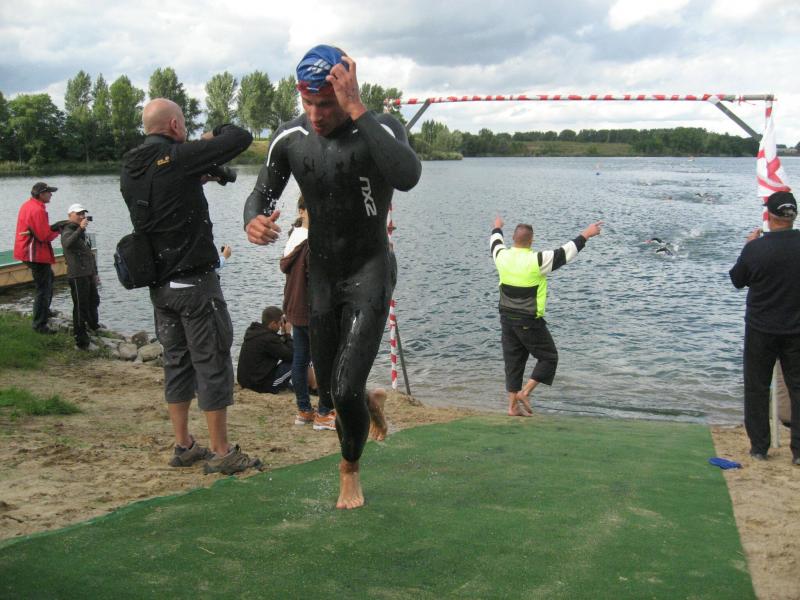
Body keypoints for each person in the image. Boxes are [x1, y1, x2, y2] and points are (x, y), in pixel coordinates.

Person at [244, 44, 421, 508]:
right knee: (329, 386)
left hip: (370, 269)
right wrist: (252, 221)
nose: (316, 115)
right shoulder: (291, 137)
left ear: (346, 91)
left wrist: (358, 108)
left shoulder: (380, 127)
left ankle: (349, 469)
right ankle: (366, 402)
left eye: (326, 104)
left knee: (343, 388)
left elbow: (407, 176)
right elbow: (262, 194)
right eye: (308, 103)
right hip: (322, 275)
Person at [120, 97, 261, 475]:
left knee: (176, 362)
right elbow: (240, 136)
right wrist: (210, 136)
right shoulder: (179, 157)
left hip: (160, 287)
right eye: (183, 124)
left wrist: (194, 177)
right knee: (212, 362)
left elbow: (162, 197)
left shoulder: (131, 166)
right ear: (174, 126)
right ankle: (221, 451)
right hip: (195, 285)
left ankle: (183, 445)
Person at [491, 216, 603, 416]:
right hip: (528, 321)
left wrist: (497, 227)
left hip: (506, 319)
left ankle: (512, 407)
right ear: (531, 241)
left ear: (513, 239)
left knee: (513, 362)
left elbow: (495, 241)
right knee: (549, 357)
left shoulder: (501, 256)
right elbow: (566, 252)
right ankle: (525, 392)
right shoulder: (537, 260)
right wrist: (586, 234)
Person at [729, 191, 800, 466]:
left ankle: (759, 447)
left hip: (761, 328)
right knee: (797, 388)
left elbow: (738, 279)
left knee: (757, 387)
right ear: (793, 216)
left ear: (769, 216)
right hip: (796, 329)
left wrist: (748, 247)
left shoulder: (756, 248)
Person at [280, 196, 334, 429]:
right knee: (324, 360)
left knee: (300, 359)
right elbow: (320, 279)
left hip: (295, 306)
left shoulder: (293, 238)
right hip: (312, 310)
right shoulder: (311, 242)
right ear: (301, 211)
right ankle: (323, 412)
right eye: (313, 209)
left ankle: (304, 409)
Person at [13, 182, 60, 334]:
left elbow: (39, 230)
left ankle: (44, 310)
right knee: (43, 288)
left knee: (49, 277)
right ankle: (39, 325)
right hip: (34, 253)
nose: (51, 194)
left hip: (25, 251)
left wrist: (52, 228)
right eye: (49, 192)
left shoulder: (28, 205)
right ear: (41, 194)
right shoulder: (37, 210)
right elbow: (44, 236)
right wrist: (59, 230)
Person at [58, 203, 100, 350]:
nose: (82, 216)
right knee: (80, 307)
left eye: (83, 214)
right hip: (77, 275)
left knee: (94, 300)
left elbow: (89, 254)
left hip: (88, 273)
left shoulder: (81, 232)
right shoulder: (67, 230)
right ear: (70, 215)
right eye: (78, 214)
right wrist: (80, 228)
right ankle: (81, 341)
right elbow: (67, 243)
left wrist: (95, 273)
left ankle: (93, 326)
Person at [237, 306, 295, 394]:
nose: (280, 326)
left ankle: (292, 385)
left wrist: (284, 334)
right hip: (260, 386)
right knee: (299, 359)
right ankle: (313, 386)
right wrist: (288, 334)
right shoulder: (269, 339)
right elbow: (292, 356)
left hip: (246, 382)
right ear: (273, 324)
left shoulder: (254, 332)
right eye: (280, 323)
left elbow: (279, 344)